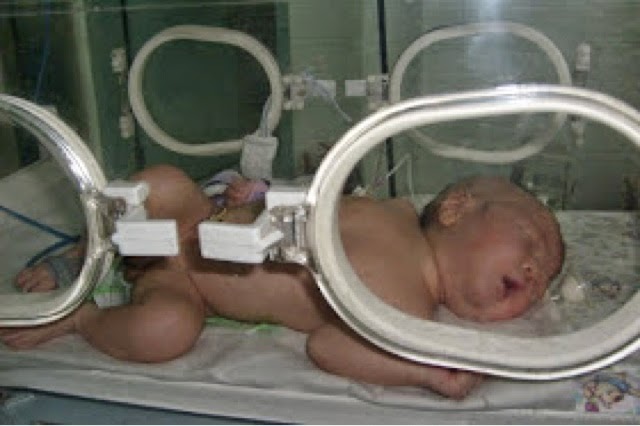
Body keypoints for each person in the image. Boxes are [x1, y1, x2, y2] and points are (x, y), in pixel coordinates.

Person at [0, 164, 565, 399]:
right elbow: (314, 197)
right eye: (532, 242)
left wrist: (426, 370)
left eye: (544, 279)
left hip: (189, 285)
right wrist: (263, 193)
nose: (535, 273)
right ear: (456, 208)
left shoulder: (406, 313)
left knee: (164, 330)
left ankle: (83, 317)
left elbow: (328, 346)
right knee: (162, 182)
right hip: (201, 218)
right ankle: (83, 252)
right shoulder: (392, 210)